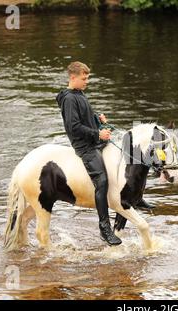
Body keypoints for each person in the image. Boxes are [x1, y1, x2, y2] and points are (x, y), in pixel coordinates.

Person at [56, 61, 122, 245]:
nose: (87, 81)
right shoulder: (69, 99)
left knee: (122, 164)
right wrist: (97, 133)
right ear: (73, 77)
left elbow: (85, 118)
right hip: (84, 146)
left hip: (95, 141)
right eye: (84, 78)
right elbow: (74, 127)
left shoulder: (79, 94)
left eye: (87, 78)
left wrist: (99, 121)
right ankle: (104, 228)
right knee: (102, 181)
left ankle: (132, 200)